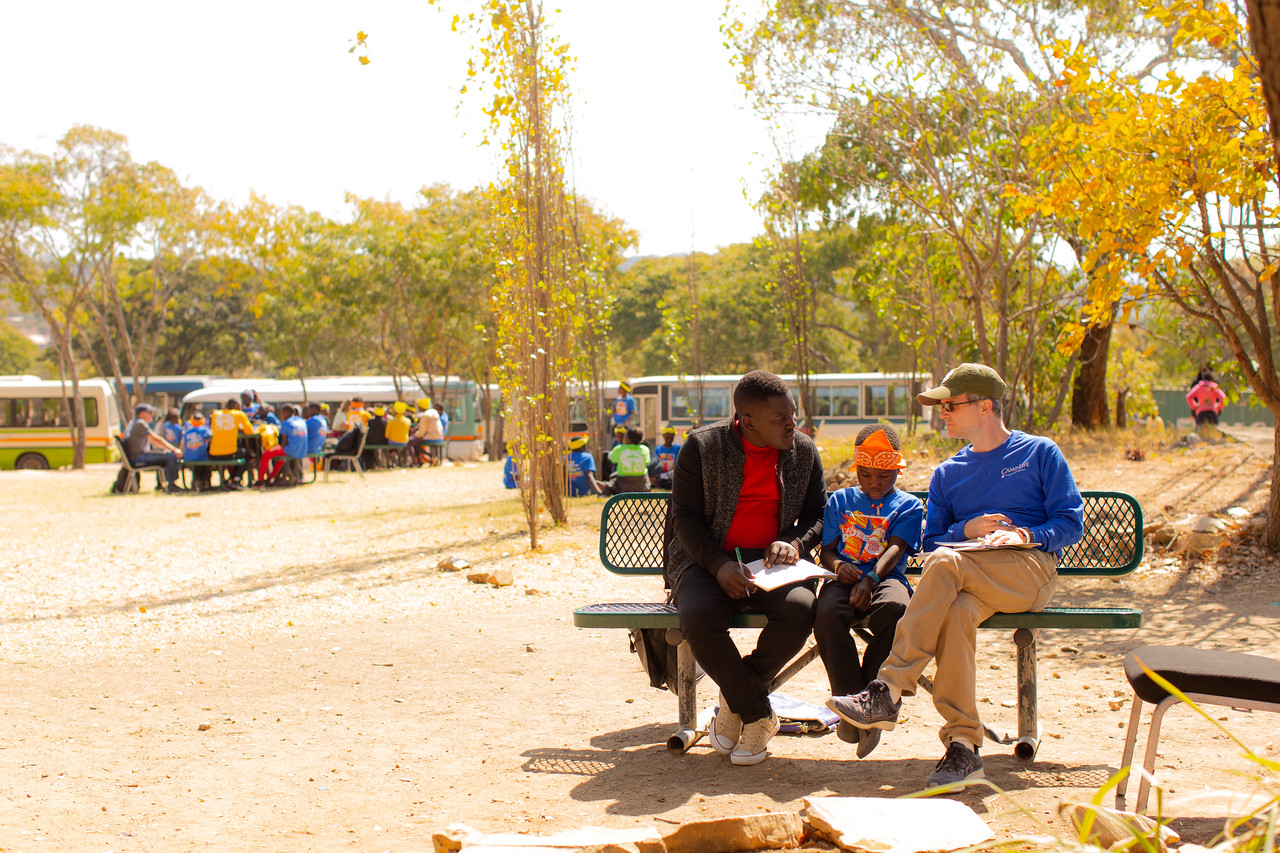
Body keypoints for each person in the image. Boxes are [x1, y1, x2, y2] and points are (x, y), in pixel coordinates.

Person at [827, 363, 1083, 790]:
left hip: (1028, 571)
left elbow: (1070, 523)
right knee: (955, 612)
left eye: (950, 405)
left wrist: (1023, 534)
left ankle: (888, 690)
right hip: (966, 577)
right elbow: (932, 542)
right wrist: (968, 529)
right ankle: (964, 747)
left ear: (985, 407)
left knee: (945, 564)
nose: (941, 413)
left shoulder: (1039, 453)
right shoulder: (948, 472)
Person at [666, 369, 825, 766]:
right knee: (698, 616)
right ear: (748, 421)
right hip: (706, 558)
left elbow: (818, 515)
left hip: (773, 562)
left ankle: (735, 699)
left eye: (792, 414)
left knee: (801, 610)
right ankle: (758, 713)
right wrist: (719, 565)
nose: (792, 424)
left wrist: (794, 543)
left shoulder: (803, 450)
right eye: (781, 418)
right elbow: (684, 518)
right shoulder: (703, 447)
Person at [814, 424, 923, 759]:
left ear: (897, 471)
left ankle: (874, 699)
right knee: (826, 613)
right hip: (843, 579)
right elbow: (827, 551)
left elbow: (896, 548)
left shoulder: (908, 505)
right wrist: (837, 567)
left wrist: (870, 579)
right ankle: (852, 699)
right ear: (856, 470)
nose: (875, 482)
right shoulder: (841, 500)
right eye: (866, 475)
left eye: (884, 476)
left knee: (897, 610)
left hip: (886, 578)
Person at [122, 402, 182, 492]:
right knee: (171, 456)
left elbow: (154, 441)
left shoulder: (133, 422)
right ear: (142, 413)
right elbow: (156, 439)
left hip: (135, 456)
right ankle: (171, 485)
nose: (152, 415)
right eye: (150, 412)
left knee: (165, 455)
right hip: (139, 457)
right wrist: (174, 449)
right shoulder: (140, 423)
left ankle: (161, 484)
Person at [209, 399, 254, 489]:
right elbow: (249, 431)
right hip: (229, 453)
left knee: (240, 453)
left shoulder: (215, 414)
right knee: (247, 454)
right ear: (236, 406)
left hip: (213, 454)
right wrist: (239, 429)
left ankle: (230, 479)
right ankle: (236, 480)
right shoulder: (239, 414)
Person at [604, 427, 651, 494]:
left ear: (628, 439)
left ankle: (604, 494)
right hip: (641, 484)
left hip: (623, 484)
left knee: (613, 476)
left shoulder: (619, 449)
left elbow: (611, 458)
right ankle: (647, 488)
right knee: (645, 472)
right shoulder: (645, 449)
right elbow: (647, 462)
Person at [182, 410, 214, 492]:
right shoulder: (204, 430)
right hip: (202, 457)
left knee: (197, 467)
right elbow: (211, 438)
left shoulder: (187, 431)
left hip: (189, 458)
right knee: (206, 464)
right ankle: (205, 483)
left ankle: (196, 481)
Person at [279, 404, 310, 483]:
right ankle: (298, 476)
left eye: (282, 413)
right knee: (294, 456)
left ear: (286, 413)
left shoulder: (285, 423)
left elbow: (284, 442)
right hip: (304, 449)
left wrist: (278, 448)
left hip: (293, 450)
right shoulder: (301, 420)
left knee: (277, 456)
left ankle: (289, 476)